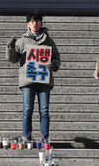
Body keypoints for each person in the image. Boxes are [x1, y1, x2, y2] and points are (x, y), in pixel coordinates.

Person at [7, 11, 61, 146]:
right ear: (28, 24)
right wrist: (11, 47)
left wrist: (54, 64)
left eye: (37, 21)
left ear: (41, 23)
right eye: (32, 21)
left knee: (44, 111)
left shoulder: (49, 40)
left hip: (44, 80)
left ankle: (44, 139)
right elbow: (13, 59)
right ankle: (27, 138)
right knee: (27, 110)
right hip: (27, 80)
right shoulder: (22, 40)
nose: (34, 23)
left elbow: (57, 58)